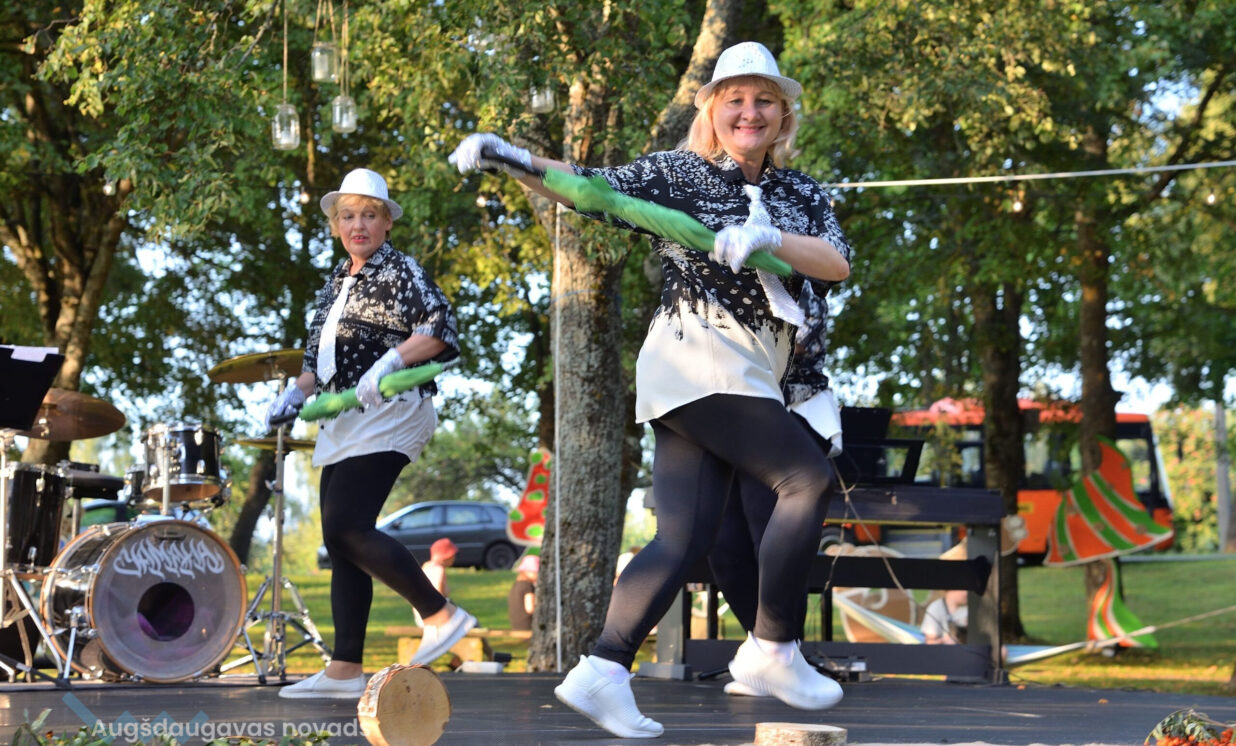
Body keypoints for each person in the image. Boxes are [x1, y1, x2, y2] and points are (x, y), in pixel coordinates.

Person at [450, 41, 851, 738]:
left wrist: (766, 238)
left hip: (755, 369)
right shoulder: (677, 172)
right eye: (734, 99)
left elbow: (836, 262)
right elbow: (590, 188)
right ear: (712, 109)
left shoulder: (801, 193)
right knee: (805, 480)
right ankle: (772, 648)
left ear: (783, 114)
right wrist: (512, 158)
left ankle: (602, 669)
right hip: (699, 353)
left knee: (684, 538)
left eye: (764, 100)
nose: (750, 112)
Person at [265, 167, 476, 699]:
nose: (357, 225)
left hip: (393, 410)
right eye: (348, 216)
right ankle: (344, 670)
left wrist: (390, 361)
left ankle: (441, 613)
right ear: (337, 225)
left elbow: (439, 328)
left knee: (347, 526)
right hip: (343, 419)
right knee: (340, 543)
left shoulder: (401, 269)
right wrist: (296, 393)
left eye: (368, 215)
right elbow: (315, 363)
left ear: (386, 223)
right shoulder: (335, 282)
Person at [507, 554, 540, 631]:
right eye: (536, 572)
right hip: (527, 625)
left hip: (516, 625)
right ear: (527, 572)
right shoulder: (527, 586)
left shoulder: (516, 585)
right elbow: (530, 608)